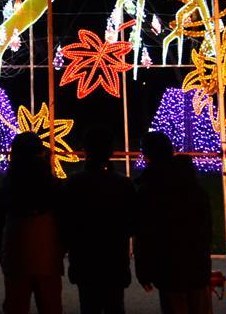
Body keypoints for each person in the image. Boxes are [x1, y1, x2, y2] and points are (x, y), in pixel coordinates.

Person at [134, 131, 212, 314]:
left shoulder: (149, 190)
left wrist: (143, 270)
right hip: (196, 264)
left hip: (169, 267)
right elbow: (206, 226)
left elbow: (145, 233)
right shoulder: (194, 185)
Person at [63, 127, 136, 314]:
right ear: (110, 151)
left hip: (85, 259)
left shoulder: (75, 183)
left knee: (89, 306)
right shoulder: (123, 184)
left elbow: (67, 223)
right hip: (114, 259)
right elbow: (132, 223)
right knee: (115, 306)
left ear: (86, 150)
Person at [0, 132, 64, 314]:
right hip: (48, 256)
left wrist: (3, 254)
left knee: (15, 304)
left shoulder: (9, 185)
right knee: (50, 305)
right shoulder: (51, 184)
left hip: (16, 254)